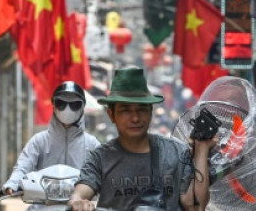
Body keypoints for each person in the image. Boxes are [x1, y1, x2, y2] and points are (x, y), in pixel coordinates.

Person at [68, 66, 217, 211]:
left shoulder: (176, 152)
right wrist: (77, 201)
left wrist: (202, 151)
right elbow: (82, 191)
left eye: (141, 109)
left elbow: (197, 206)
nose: (135, 118)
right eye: (125, 110)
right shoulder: (100, 158)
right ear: (111, 115)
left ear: (150, 112)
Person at [1, 81, 101, 195]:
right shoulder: (39, 141)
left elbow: (103, 172)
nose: (67, 109)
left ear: (83, 106)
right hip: (42, 204)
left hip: (81, 204)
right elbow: (23, 166)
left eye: (74, 105)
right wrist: (12, 184)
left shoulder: (92, 144)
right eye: (61, 103)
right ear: (53, 105)